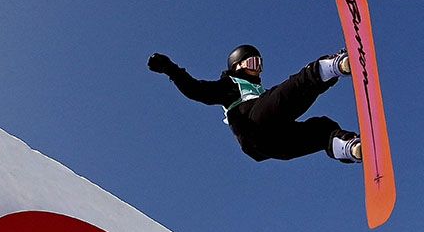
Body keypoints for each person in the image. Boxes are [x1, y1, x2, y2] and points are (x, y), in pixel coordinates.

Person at [147, 44, 362, 164]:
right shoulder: (229, 85)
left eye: (259, 64)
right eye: (252, 63)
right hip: (254, 123)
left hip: (272, 145)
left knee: (320, 129)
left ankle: (349, 148)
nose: (257, 69)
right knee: (295, 86)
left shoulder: (260, 92)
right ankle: (334, 65)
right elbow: (196, 90)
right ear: (237, 66)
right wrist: (170, 69)